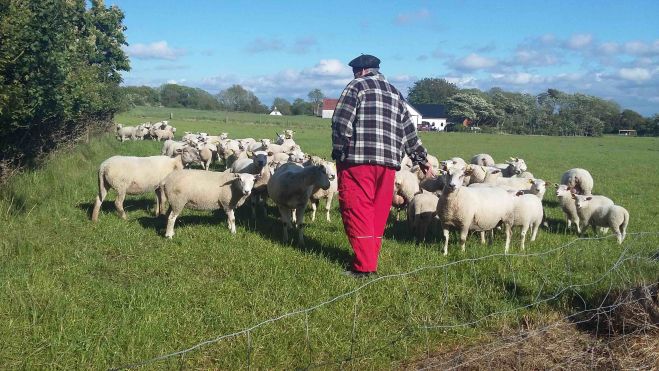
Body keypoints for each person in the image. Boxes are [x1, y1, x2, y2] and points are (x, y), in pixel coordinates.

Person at [331, 54, 434, 278]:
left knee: (357, 209)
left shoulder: (356, 86)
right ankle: (369, 258)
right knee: (377, 212)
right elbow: (408, 130)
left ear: (360, 71)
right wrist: (421, 159)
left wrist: (339, 149)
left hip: (358, 160)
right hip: (388, 165)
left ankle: (363, 267)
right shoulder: (395, 92)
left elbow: (341, 121)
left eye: (354, 72)